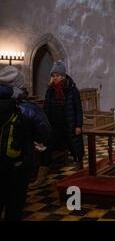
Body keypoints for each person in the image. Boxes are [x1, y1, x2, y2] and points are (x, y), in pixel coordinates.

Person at [0, 66, 51, 220]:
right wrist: (37, 142)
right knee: (15, 202)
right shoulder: (28, 107)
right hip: (18, 162)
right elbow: (45, 131)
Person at [29, 60, 83, 189]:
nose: (55, 78)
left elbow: (78, 110)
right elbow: (46, 109)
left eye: (57, 75)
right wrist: (44, 126)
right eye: (53, 75)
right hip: (54, 127)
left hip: (69, 126)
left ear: (63, 76)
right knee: (46, 150)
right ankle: (40, 179)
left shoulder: (72, 90)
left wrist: (78, 126)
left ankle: (81, 176)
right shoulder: (50, 91)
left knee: (76, 151)